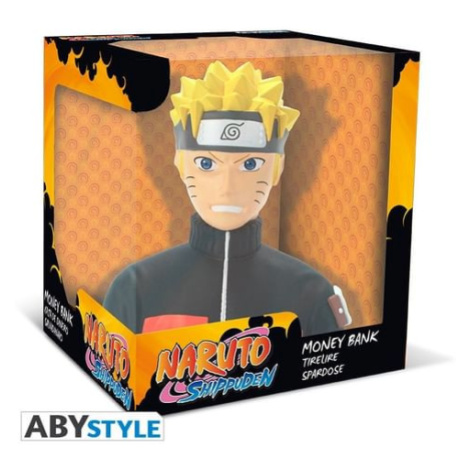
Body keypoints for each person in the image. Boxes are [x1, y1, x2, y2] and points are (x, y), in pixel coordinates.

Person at [103, 61, 351, 336]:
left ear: (277, 168)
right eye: (206, 164)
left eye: (250, 164)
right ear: (181, 165)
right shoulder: (135, 289)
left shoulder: (312, 294)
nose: (227, 187)